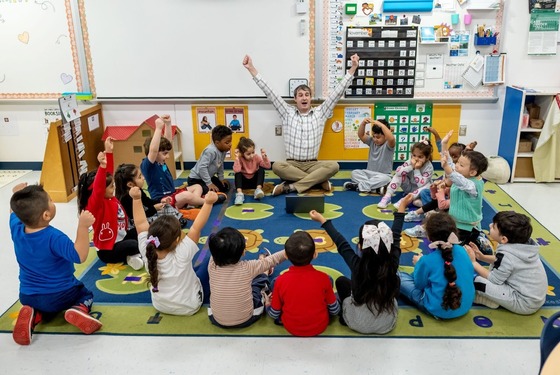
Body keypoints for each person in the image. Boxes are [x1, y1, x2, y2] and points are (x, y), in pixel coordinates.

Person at [242, 53, 360, 195]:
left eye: (307, 95)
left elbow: (337, 92)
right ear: (295, 99)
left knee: (334, 166)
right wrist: (251, 69)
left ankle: (291, 187)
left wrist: (353, 68)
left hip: (313, 164)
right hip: (291, 164)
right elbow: (269, 92)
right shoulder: (287, 112)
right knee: (277, 166)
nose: (304, 98)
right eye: (300, 95)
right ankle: (317, 181)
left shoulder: (320, 112)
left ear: (310, 98)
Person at [10, 183, 102, 345]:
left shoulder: (16, 228)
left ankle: (35, 313)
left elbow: (13, 212)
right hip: (61, 295)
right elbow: (79, 256)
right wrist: (83, 226)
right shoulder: (54, 237)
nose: (53, 202)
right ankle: (78, 309)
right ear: (46, 215)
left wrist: (17, 194)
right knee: (85, 293)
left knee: (42, 306)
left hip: (27, 295)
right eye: (51, 200)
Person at [308, 194, 410, 334]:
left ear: (361, 246)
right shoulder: (392, 262)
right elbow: (397, 236)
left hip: (355, 322)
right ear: (389, 244)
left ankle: (345, 317)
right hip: (386, 325)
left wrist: (323, 220)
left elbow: (341, 244)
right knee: (396, 279)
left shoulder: (358, 265)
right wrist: (402, 208)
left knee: (342, 282)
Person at [131, 186, 218, 315]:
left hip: (160, 305)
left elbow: (140, 223)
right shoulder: (182, 253)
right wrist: (209, 202)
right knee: (209, 262)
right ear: (177, 240)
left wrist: (136, 199)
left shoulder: (147, 249)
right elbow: (196, 228)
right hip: (190, 306)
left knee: (196, 270)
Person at [77, 137, 144, 270]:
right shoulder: (95, 204)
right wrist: (101, 166)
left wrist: (109, 152)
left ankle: (132, 256)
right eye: (111, 186)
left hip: (120, 238)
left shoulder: (109, 198)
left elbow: (108, 174)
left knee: (141, 232)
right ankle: (132, 256)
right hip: (108, 250)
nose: (114, 188)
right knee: (134, 244)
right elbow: (99, 187)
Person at [465, 211, 547, 314]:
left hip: (523, 303)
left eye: (493, 227)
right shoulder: (523, 246)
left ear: (503, 239)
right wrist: (482, 257)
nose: (490, 225)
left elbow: (494, 279)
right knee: (495, 266)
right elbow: (502, 261)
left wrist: (473, 262)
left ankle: (489, 299)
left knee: (476, 280)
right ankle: (493, 299)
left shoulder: (507, 256)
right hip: (534, 298)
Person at [398, 212, 475, 319]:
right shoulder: (462, 250)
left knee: (399, 276)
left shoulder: (426, 261)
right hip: (465, 306)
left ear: (429, 237)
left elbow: (419, 285)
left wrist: (418, 264)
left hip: (438, 310)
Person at [207, 227, 287, 328]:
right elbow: (272, 260)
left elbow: (216, 249)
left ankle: (263, 267)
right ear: (243, 252)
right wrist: (289, 251)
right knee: (258, 283)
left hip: (215, 318)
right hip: (247, 318)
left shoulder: (211, 265)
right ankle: (265, 270)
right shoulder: (247, 267)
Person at [266, 231, 340, 336]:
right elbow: (335, 311)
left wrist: (267, 305)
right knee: (329, 281)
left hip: (291, 327)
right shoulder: (324, 278)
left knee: (274, 285)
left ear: (286, 255)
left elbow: (274, 314)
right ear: (315, 254)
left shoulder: (280, 281)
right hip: (320, 325)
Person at [141, 114, 204, 209]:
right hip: (164, 201)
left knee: (198, 187)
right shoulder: (148, 165)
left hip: (173, 194)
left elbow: (168, 142)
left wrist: (168, 124)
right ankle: (206, 201)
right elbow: (153, 150)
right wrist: (158, 129)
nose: (168, 156)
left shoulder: (160, 161)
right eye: (165, 153)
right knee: (186, 195)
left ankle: (193, 202)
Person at [440, 130, 488, 247]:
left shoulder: (472, 185)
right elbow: (450, 162)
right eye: (458, 162)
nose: (456, 165)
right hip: (456, 221)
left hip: (467, 226)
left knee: (455, 250)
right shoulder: (462, 174)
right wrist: (444, 144)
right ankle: (476, 240)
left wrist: (446, 167)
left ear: (472, 172)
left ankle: (478, 240)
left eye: (461, 165)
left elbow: (454, 177)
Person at [115, 163, 186, 228]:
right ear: (130, 184)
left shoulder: (138, 189)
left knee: (166, 206)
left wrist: (161, 201)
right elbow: (137, 218)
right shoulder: (125, 199)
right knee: (157, 221)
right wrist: (154, 209)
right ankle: (172, 223)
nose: (143, 178)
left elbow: (148, 201)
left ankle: (177, 219)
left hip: (147, 212)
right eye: (140, 177)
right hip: (137, 222)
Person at [343, 118, 396, 194]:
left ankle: (358, 186)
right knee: (354, 173)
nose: (375, 139)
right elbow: (361, 135)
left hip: (383, 175)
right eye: (373, 136)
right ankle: (374, 189)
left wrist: (381, 125)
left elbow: (391, 138)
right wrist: (363, 123)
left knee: (386, 179)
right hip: (368, 174)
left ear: (385, 136)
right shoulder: (371, 141)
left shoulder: (389, 144)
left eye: (378, 137)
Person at [378, 140, 434, 209]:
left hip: (419, 191)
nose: (416, 159)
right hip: (409, 187)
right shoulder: (410, 162)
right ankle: (387, 196)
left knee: (428, 185)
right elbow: (398, 172)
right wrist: (411, 167)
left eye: (420, 157)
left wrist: (416, 169)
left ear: (427, 158)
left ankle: (405, 200)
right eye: (414, 155)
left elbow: (421, 184)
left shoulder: (429, 167)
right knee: (399, 175)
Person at [187, 125, 232, 202]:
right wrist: (209, 183)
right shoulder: (210, 151)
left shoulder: (223, 150)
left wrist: (221, 178)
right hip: (196, 179)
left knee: (224, 187)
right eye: (227, 142)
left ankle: (209, 192)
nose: (230, 144)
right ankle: (198, 196)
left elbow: (220, 164)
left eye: (230, 141)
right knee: (211, 191)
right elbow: (202, 168)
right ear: (217, 143)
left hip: (208, 177)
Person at [233, 137, 271, 205]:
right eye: (248, 154)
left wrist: (264, 157)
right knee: (237, 173)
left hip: (254, 182)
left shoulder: (256, 157)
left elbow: (267, 166)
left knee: (261, 169)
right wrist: (237, 158)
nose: (251, 155)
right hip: (244, 183)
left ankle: (258, 190)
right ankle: (239, 194)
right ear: (242, 153)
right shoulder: (240, 158)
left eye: (253, 152)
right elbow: (237, 170)